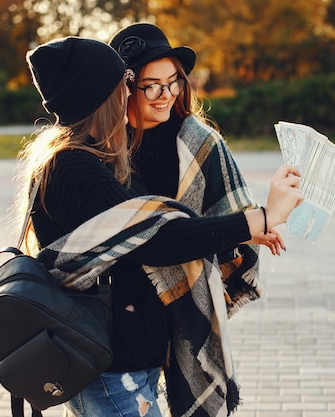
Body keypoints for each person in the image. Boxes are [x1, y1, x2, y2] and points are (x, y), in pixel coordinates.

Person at [17, 37, 303, 417]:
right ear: (100, 97)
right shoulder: (73, 168)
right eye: (124, 83)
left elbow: (159, 229)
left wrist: (244, 229)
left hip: (128, 364)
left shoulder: (98, 159)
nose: (130, 92)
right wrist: (263, 217)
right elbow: (158, 240)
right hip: (111, 371)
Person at [109, 23, 275, 315]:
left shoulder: (201, 143)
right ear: (126, 89)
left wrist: (249, 228)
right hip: (115, 310)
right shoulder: (107, 149)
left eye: (174, 81)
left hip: (185, 310)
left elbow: (232, 217)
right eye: (151, 86)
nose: (166, 94)